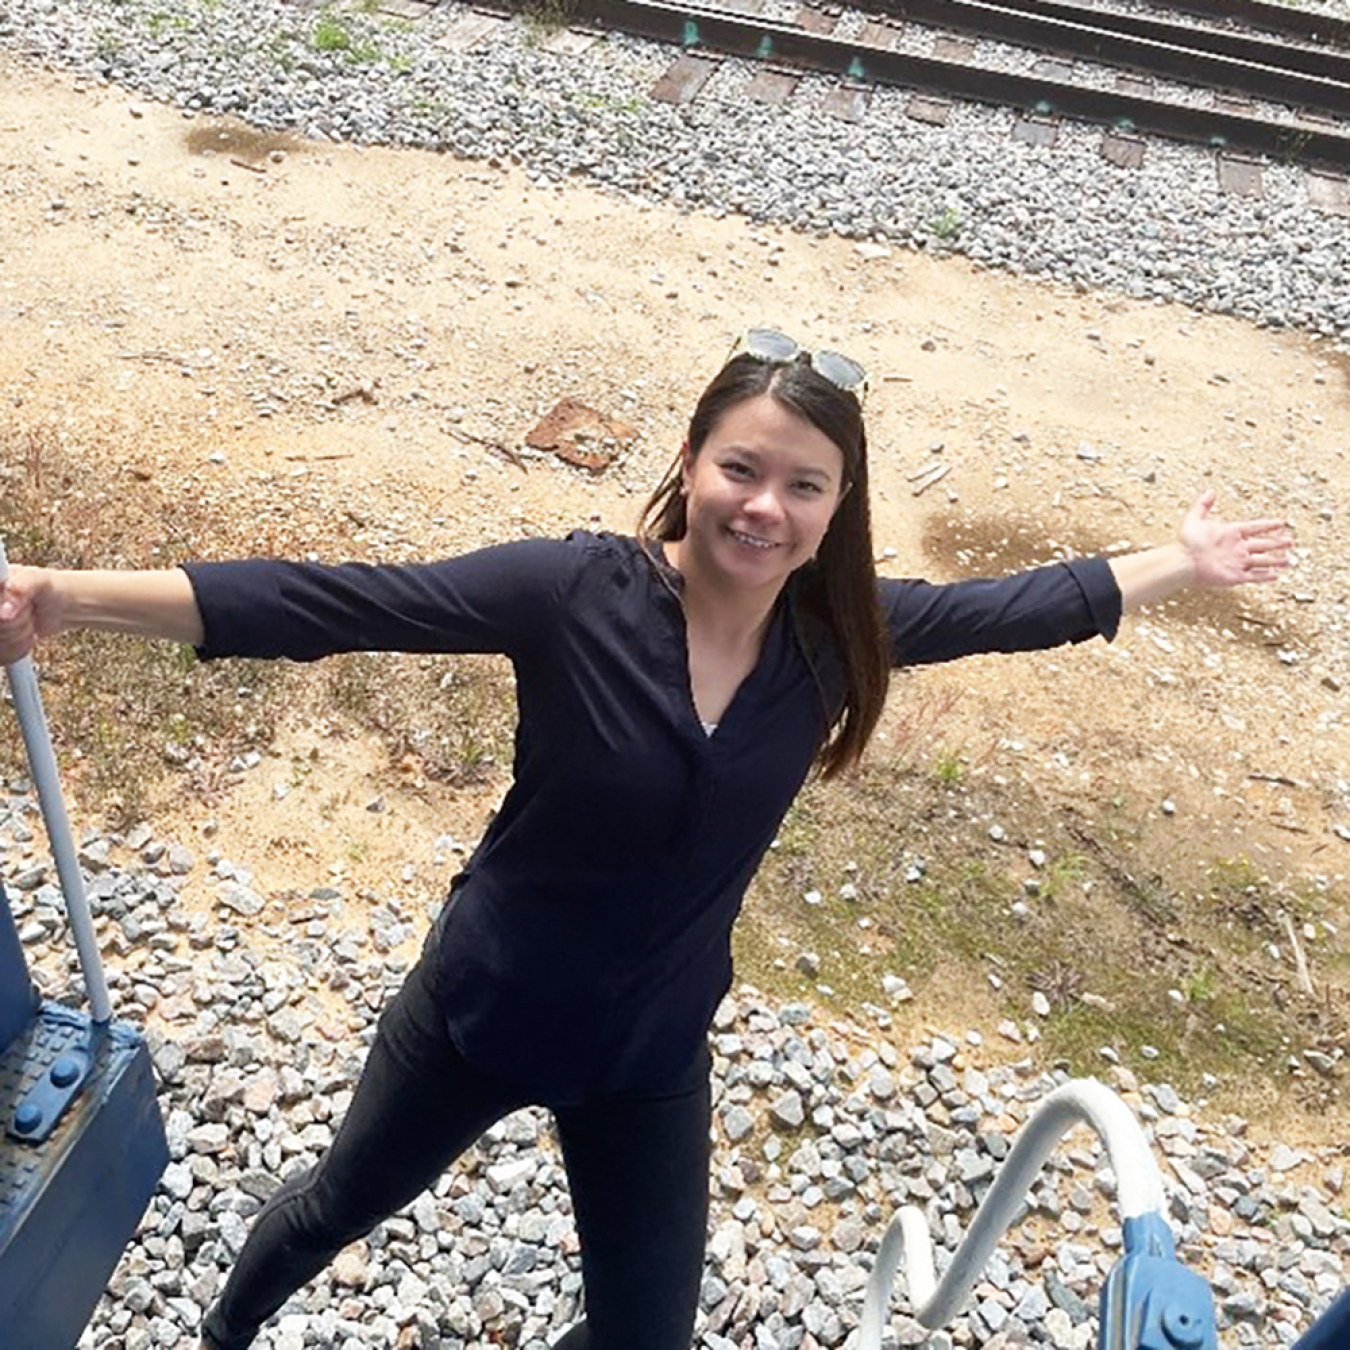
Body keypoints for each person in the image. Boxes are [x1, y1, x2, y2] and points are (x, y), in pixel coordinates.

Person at [0, 330, 1292, 1350]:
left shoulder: (831, 634)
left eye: (804, 484)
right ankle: (226, 1329)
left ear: (837, 504)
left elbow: (1014, 604)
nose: (763, 507)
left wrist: (1177, 564)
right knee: (336, 1207)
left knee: (644, 1331)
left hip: (647, 1054)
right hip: (475, 1015)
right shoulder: (572, 592)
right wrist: (60, 597)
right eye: (741, 467)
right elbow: (324, 599)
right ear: (689, 460)